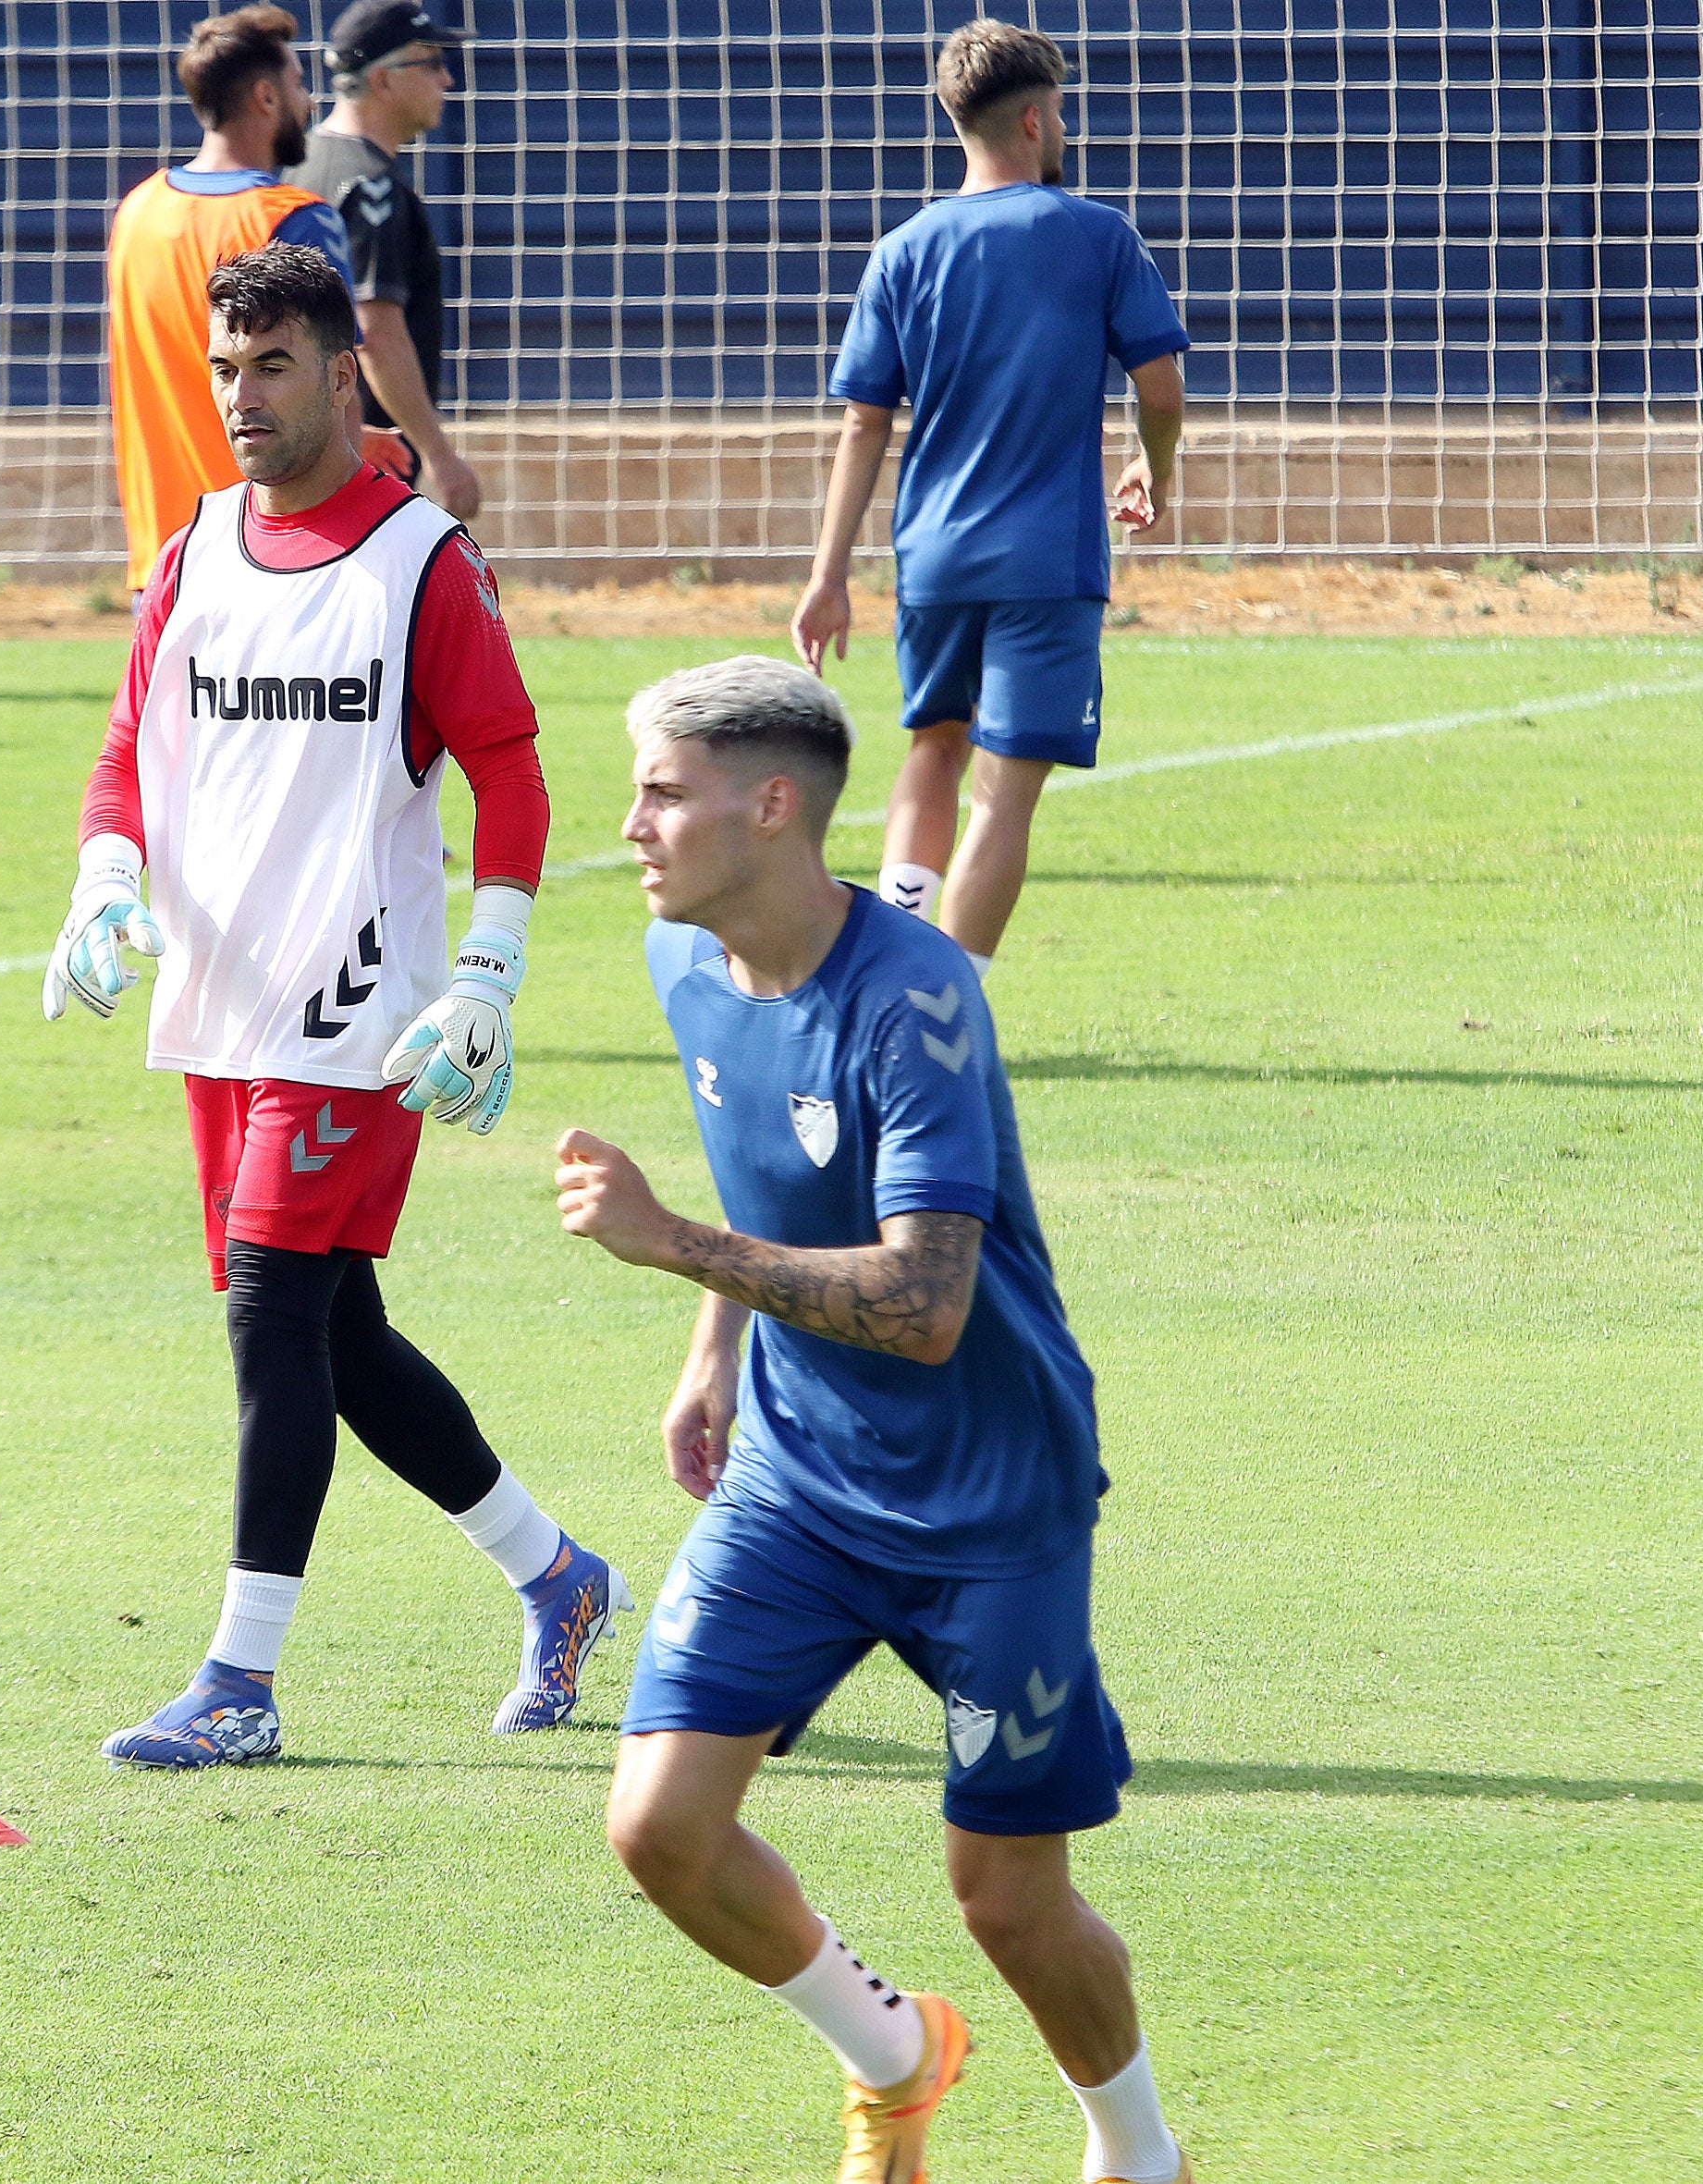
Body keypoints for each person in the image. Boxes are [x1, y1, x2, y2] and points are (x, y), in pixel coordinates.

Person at [555, 656, 1191, 2184]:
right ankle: (894, 2052)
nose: (629, 825)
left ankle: (1138, 2154)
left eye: (658, 791)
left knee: (1007, 1897)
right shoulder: (686, 959)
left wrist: (678, 1253)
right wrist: (711, 1349)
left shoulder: (917, 998)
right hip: (797, 1479)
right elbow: (771, 1170)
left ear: (769, 806)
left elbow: (925, 1303)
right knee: (658, 1830)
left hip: (989, 1504)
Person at [44, 243, 617, 1768]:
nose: (238, 397)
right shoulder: (196, 548)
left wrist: (488, 967)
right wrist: (105, 875)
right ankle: (554, 1575)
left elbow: (510, 769)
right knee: (334, 1331)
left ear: (340, 367)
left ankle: (237, 1680)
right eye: (223, 369)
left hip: (360, 1011)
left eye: (270, 366)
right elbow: (126, 744)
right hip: (215, 1005)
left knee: (271, 1316)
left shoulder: (417, 558)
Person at [788, 18, 1187, 974]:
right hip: (1047, 559)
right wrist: (1153, 467)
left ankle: (885, 971)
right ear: (1039, 119)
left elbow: (862, 423)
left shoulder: (903, 250)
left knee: (932, 750)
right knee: (1005, 793)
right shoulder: (1096, 234)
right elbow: (1161, 390)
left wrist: (827, 576)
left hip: (933, 554)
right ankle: (940, 1008)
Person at [104, 5, 356, 595]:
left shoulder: (137, 211)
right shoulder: (296, 218)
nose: (308, 101)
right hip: (276, 549)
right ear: (266, 96)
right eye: (297, 83)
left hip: (165, 555)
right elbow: (335, 381)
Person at [282, 0, 483, 521]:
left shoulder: (296, 164)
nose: (448, 79)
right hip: (362, 461)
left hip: (305, 445)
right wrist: (440, 455)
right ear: (384, 80)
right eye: (432, 62)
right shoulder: (372, 188)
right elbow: (378, 332)